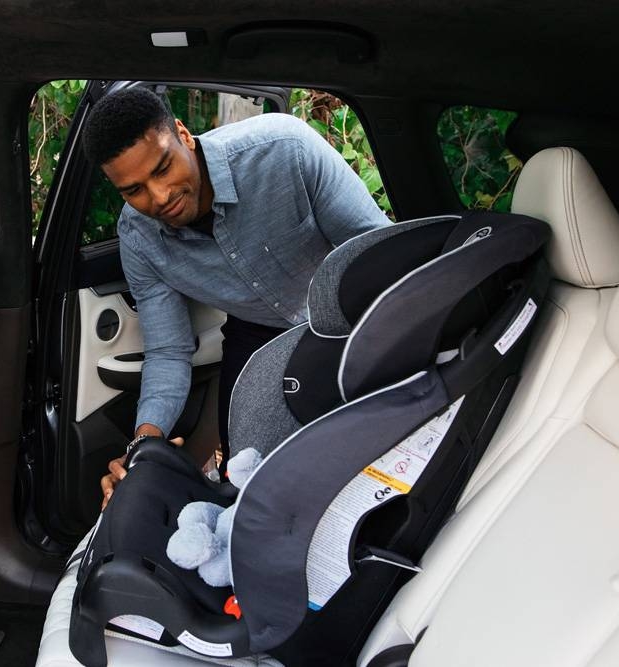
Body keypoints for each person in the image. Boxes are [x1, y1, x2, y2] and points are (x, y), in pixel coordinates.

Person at [82, 87, 390, 508]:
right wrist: (141, 450)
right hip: (257, 333)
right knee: (244, 480)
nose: (158, 197)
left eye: (163, 168)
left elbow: (376, 261)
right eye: (133, 190)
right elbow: (169, 353)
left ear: (183, 134)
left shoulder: (285, 150)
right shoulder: (137, 238)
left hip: (353, 315)